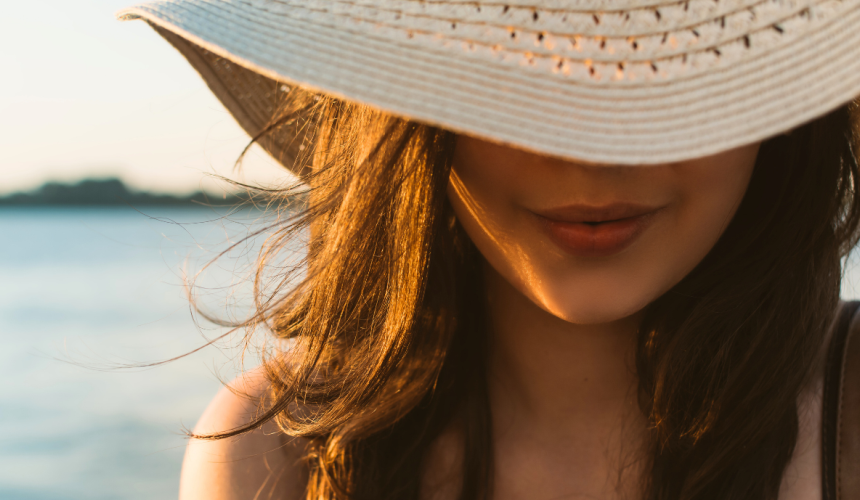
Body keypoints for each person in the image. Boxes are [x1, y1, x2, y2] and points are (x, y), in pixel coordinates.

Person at [119, 1, 860, 499]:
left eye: (663, 75)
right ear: (404, 102)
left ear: (782, 106)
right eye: (516, 72)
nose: (591, 154)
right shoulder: (277, 458)